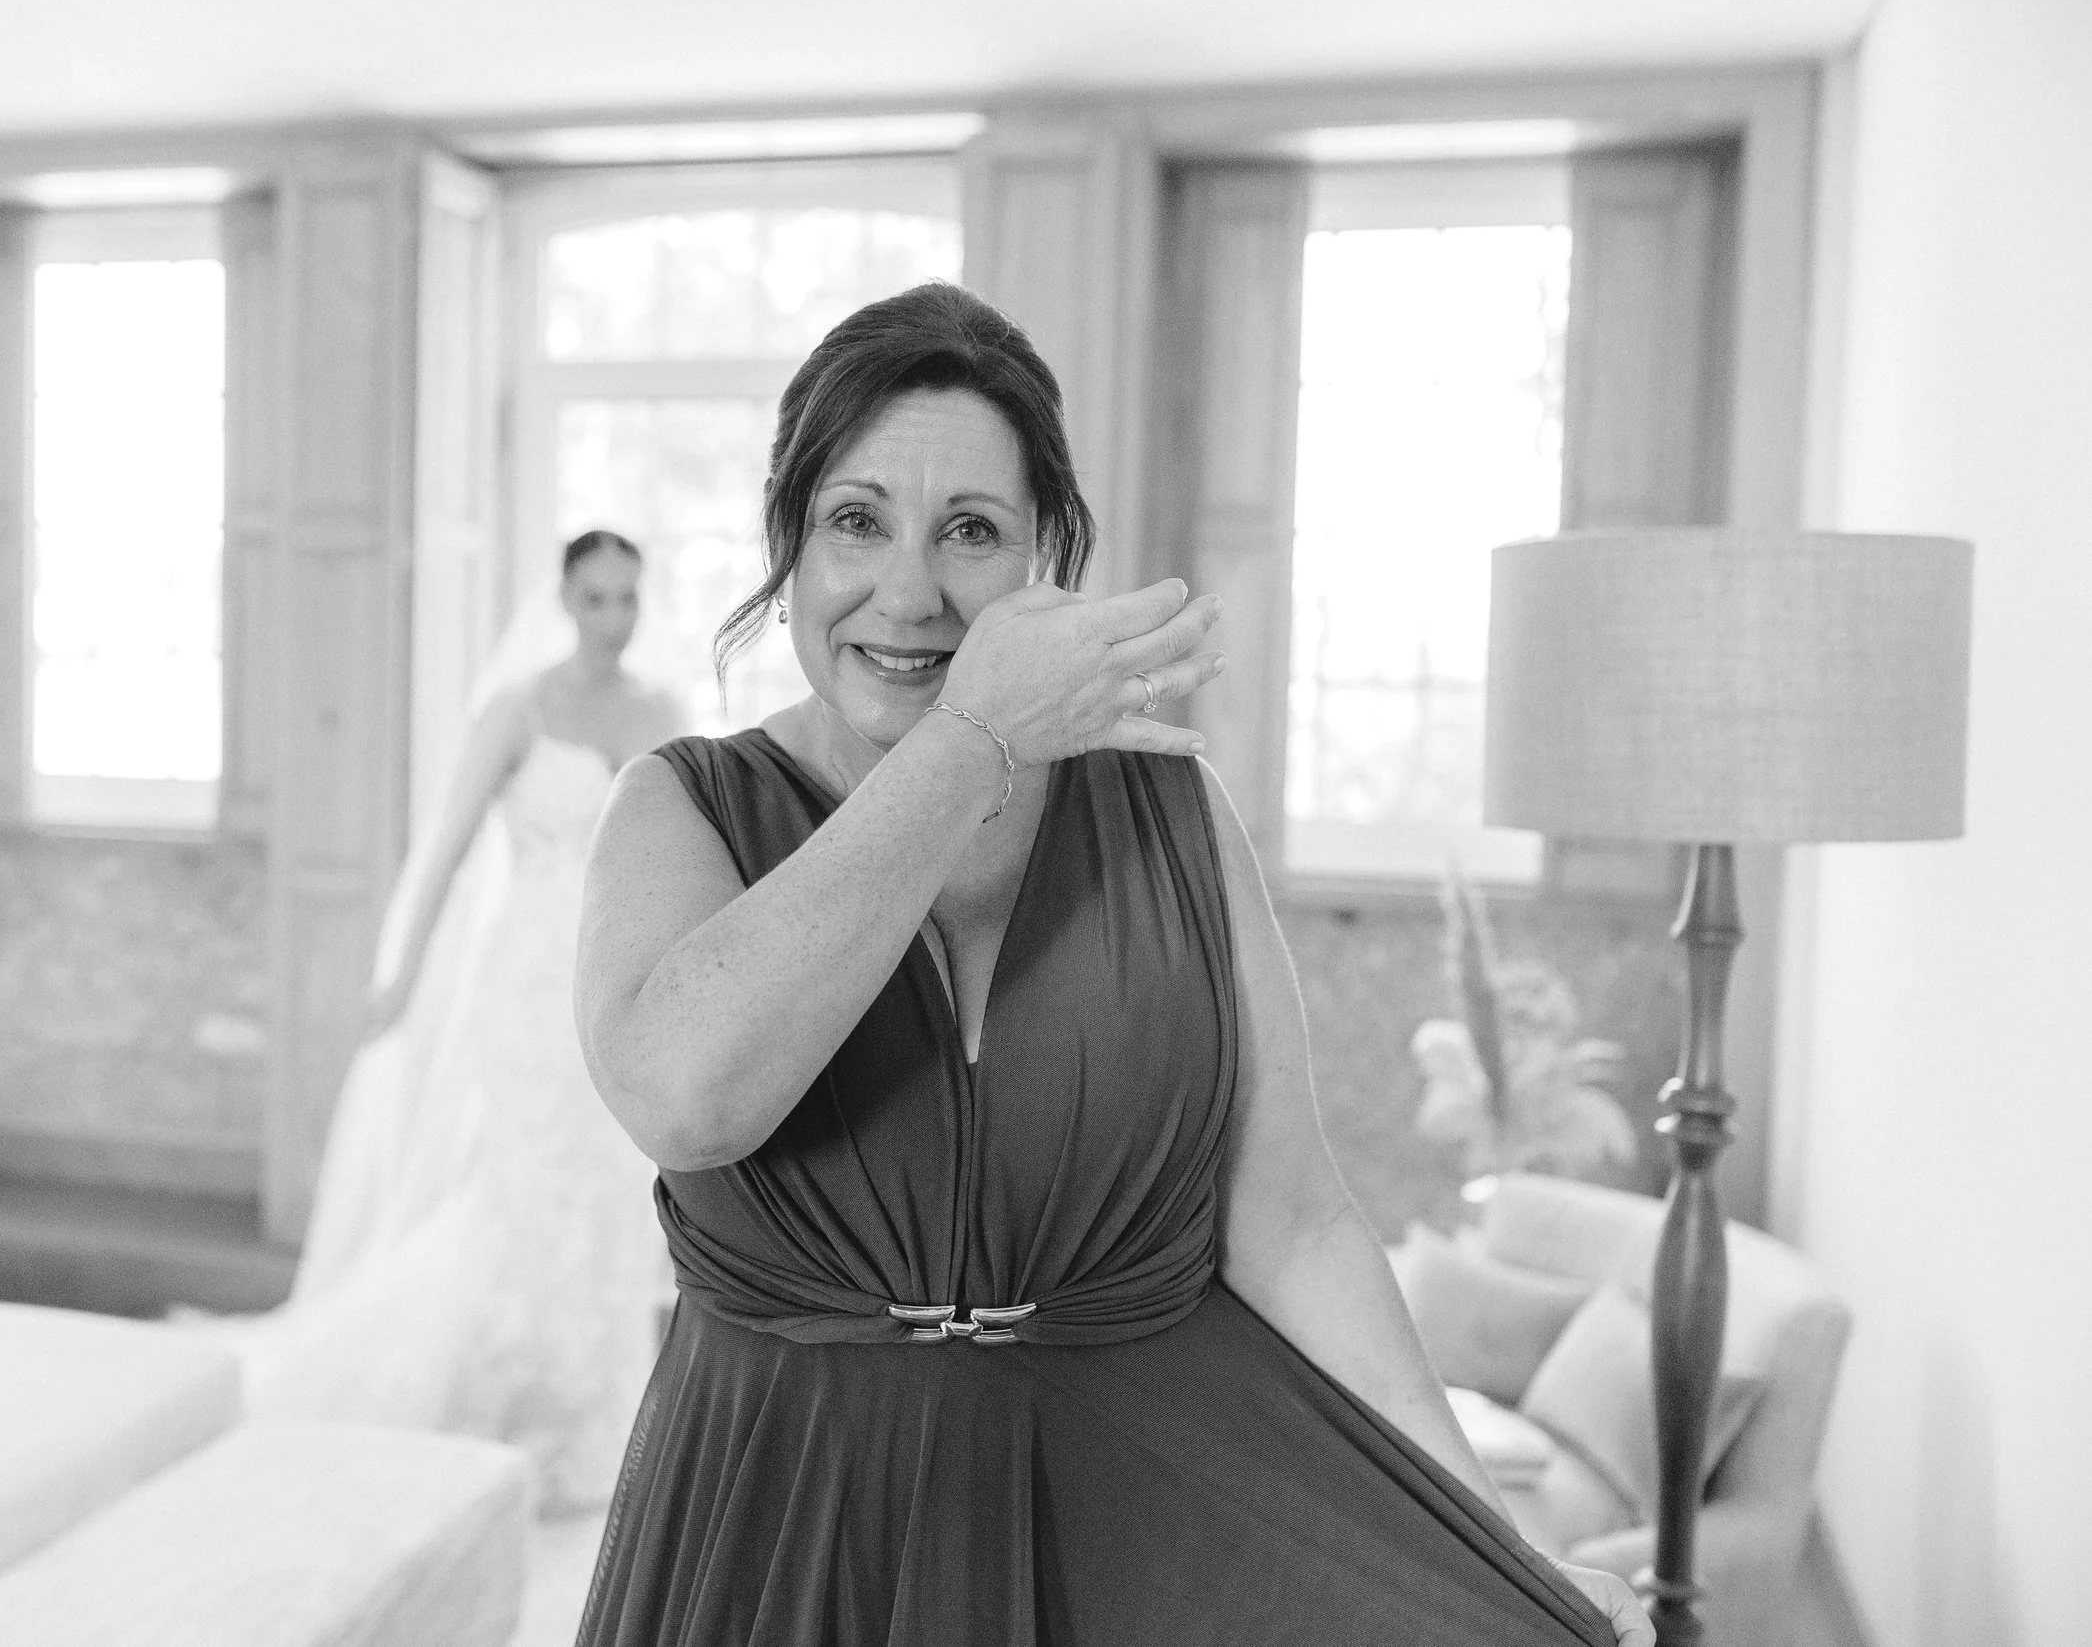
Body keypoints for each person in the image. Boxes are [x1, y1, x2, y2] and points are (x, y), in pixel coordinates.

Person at [571, 284, 1654, 1644]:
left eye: (971, 529)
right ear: (787, 539)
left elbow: (1294, 1219)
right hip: (784, 1518)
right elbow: (687, 1097)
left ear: (1045, 557)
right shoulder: (675, 807)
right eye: (856, 519)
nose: (908, 591)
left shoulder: (1170, 813)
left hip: (1139, 1526)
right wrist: (971, 741)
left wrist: (1495, 1545)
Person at [220, 529, 684, 1514]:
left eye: (628, 597)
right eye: (597, 597)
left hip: (621, 975)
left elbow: (686, 855)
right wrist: (398, 976)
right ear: (564, 600)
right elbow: (444, 850)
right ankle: (498, 1404)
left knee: (608, 1189)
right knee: (524, 1184)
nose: (614, 616)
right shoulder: (519, 710)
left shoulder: (662, 712)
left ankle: (594, 1421)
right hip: (528, 985)